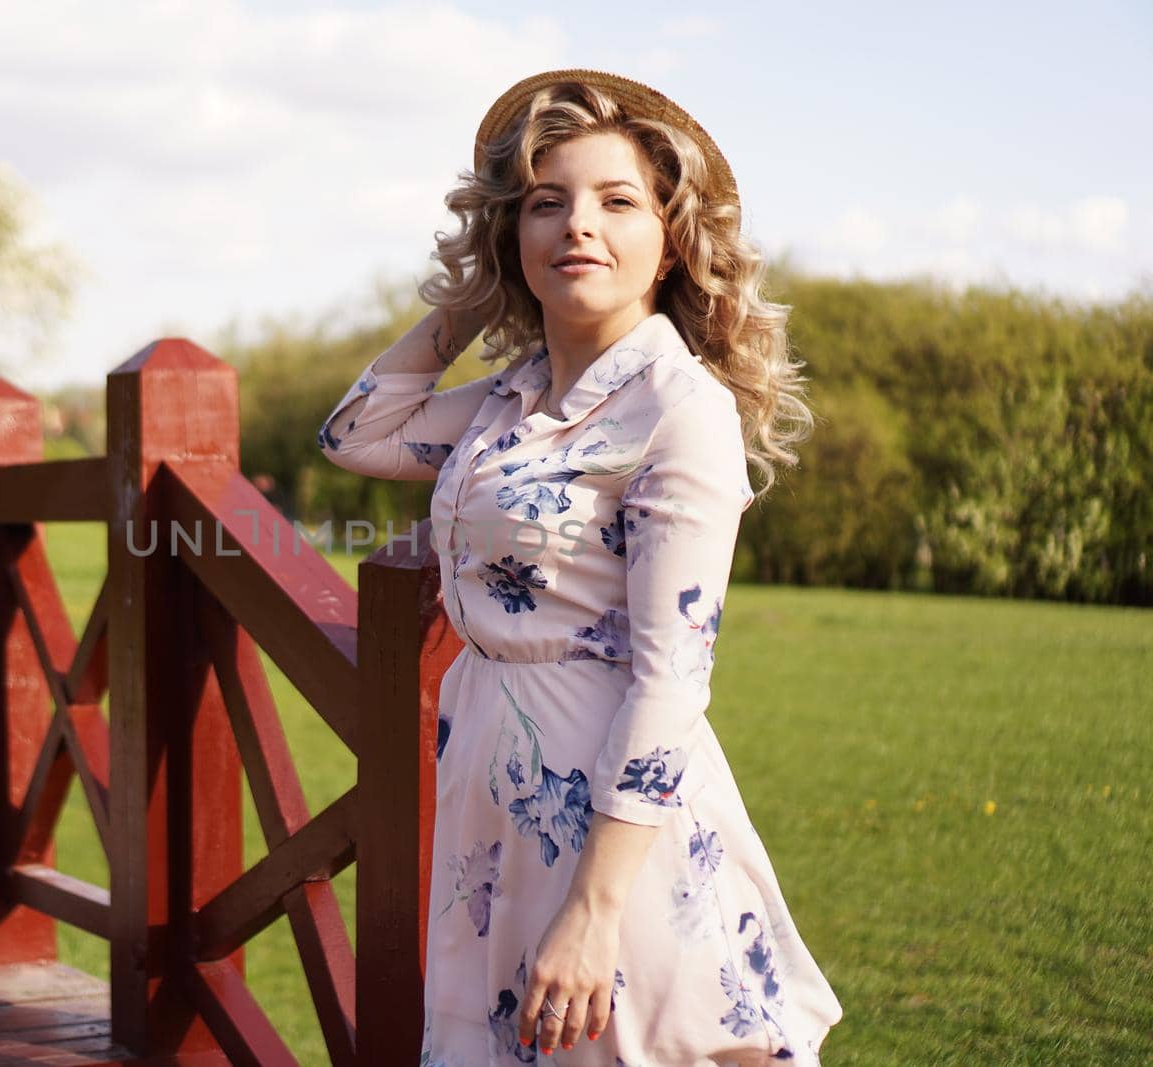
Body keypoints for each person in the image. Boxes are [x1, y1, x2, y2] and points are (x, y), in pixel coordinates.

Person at [316, 70, 843, 1065]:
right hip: (491, 812)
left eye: (616, 202)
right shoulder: (505, 402)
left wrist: (594, 910)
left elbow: (671, 674)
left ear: (671, 236)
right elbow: (355, 431)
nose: (577, 227)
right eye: (545, 204)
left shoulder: (677, 410)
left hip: (609, 831)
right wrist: (474, 294)